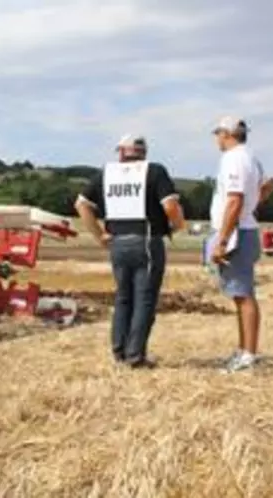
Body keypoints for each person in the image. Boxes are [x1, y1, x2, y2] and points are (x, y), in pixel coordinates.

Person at [75, 134, 186, 369]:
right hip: (147, 241)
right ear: (143, 153)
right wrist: (176, 226)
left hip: (117, 242)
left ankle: (119, 351)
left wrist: (99, 235)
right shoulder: (155, 172)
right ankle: (135, 356)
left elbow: (81, 204)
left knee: (123, 297)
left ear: (122, 152)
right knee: (144, 300)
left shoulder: (106, 173)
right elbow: (170, 206)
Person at [207, 116, 273, 373]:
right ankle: (244, 349)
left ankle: (248, 355)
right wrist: (253, 208)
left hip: (237, 233)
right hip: (245, 228)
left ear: (227, 134)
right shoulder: (251, 157)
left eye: (218, 134)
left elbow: (234, 200)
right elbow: (268, 185)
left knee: (243, 295)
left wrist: (222, 239)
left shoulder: (233, 158)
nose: (217, 140)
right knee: (239, 294)